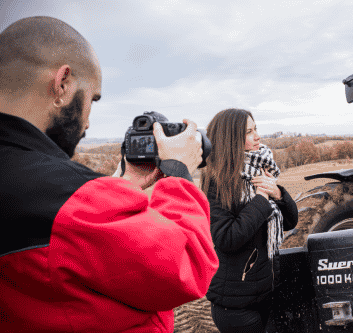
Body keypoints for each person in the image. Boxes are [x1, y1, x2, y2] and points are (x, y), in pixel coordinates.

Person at [0, 16, 218, 332]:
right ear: (62, 84)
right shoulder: (65, 198)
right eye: (93, 99)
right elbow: (186, 265)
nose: (88, 123)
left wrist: (123, 189)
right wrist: (178, 171)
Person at [200, 108, 298, 333]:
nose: (257, 136)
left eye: (256, 129)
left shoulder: (262, 169)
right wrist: (262, 198)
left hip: (265, 293)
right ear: (231, 138)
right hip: (235, 306)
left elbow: (290, 222)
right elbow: (227, 238)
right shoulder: (217, 182)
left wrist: (279, 195)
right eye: (249, 131)